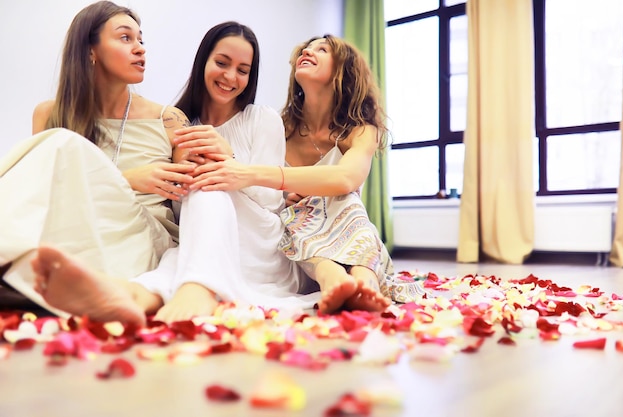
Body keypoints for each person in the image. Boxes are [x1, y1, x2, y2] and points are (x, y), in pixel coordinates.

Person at [30, 21, 319, 326]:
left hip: (258, 242)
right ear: (203, 62)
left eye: (243, 70)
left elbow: (271, 204)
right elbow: (179, 211)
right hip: (200, 239)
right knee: (177, 257)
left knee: (206, 183)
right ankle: (132, 294)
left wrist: (229, 160)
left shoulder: (262, 119)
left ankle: (200, 287)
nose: (230, 77)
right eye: (221, 63)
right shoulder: (181, 124)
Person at [0, 1, 196, 316]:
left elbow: (193, 201)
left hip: (143, 237)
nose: (140, 49)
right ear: (90, 50)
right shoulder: (50, 114)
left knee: (63, 143)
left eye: (141, 40)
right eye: (125, 38)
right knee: (58, 146)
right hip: (78, 229)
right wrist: (127, 179)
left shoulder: (169, 119)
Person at [181, 35, 394, 314]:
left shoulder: (361, 130)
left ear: (345, 71)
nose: (308, 50)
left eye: (322, 49)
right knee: (296, 217)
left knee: (346, 200)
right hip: (294, 236)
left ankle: (364, 280)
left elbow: (345, 179)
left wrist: (258, 176)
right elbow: (264, 200)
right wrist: (285, 195)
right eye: (306, 48)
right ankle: (334, 280)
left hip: (347, 230)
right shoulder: (280, 125)